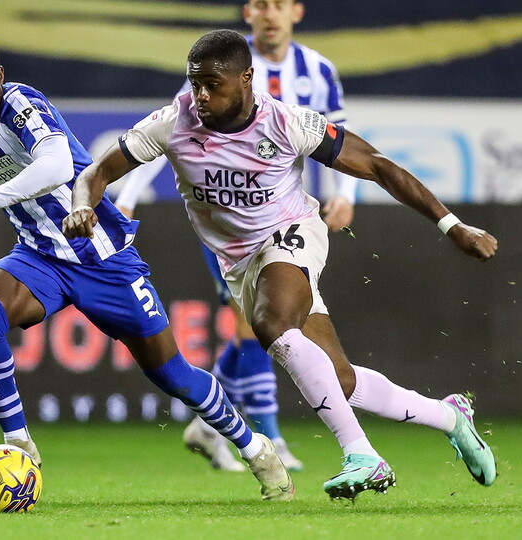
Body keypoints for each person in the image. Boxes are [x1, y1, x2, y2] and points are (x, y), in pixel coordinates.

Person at [63, 29, 498, 499]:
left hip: (291, 234)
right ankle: (452, 417)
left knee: (272, 323)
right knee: (341, 381)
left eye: (213, 84)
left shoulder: (287, 122)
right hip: (238, 262)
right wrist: (82, 204)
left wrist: (453, 226)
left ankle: (362, 454)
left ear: (247, 79)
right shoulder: (173, 123)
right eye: (195, 84)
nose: (201, 96)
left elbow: (377, 165)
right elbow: (96, 172)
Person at [0, 31, 294, 501]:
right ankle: (18, 445)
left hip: (102, 256)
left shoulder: (22, 105)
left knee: (172, 375)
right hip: (40, 257)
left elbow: (56, 165)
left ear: (0, 78)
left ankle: (255, 449)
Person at [114, 0, 355, 473]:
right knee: (258, 325)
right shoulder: (218, 64)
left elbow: (338, 138)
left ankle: (208, 426)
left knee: (265, 326)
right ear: (248, 13)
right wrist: (129, 195)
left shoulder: (317, 70)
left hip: (286, 218)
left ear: (296, 12)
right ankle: (270, 435)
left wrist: (344, 193)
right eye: (261, 5)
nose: (270, 15)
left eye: (279, 5)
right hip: (232, 221)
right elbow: (168, 132)